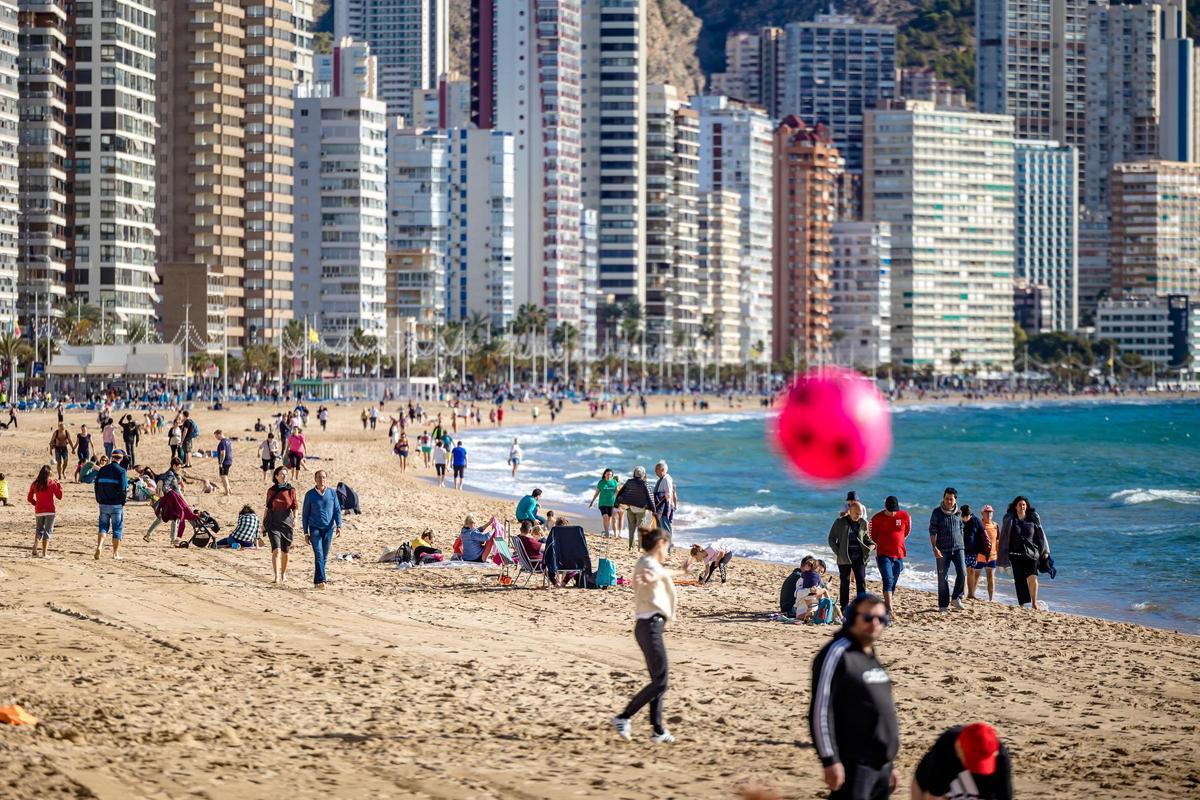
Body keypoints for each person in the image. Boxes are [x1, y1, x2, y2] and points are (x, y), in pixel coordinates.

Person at [809, 594, 899, 800]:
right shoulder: (837, 653)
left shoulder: (869, 653)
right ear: (852, 617)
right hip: (854, 764)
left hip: (881, 766)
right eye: (868, 617)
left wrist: (889, 764)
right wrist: (829, 760)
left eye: (881, 619)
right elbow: (820, 711)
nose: (875, 623)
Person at [611, 526, 677, 745]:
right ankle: (624, 717)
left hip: (649, 626)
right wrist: (643, 580)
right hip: (649, 627)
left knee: (658, 679)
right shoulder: (647, 564)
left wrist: (684, 572)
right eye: (667, 546)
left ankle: (658, 730)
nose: (668, 551)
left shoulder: (651, 564)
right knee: (661, 681)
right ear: (661, 544)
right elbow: (648, 575)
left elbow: (662, 574)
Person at [912, 723, 1012, 800]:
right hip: (944, 786)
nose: (975, 768)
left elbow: (1003, 796)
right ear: (958, 747)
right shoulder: (945, 748)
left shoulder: (1000, 757)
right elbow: (932, 795)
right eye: (973, 761)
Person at [997, 496, 1050, 610]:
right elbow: (1004, 538)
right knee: (1020, 580)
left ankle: (1034, 603)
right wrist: (1002, 557)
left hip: (1032, 553)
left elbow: (1041, 534)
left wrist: (1045, 550)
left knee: (1033, 577)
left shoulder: (1032, 518)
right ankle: (1022, 604)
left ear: (1026, 506)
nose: (1022, 507)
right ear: (1015, 506)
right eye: (1020, 505)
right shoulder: (1010, 520)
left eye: (1024, 505)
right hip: (1016, 554)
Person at [870, 496, 912, 618]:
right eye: (891, 510)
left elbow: (907, 531)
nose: (893, 513)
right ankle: (890, 609)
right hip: (883, 554)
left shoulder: (904, 515)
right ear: (885, 507)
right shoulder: (877, 518)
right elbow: (872, 535)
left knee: (893, 582)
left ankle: (887, 604)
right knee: (887, 580)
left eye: (895, 510)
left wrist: (898, 542)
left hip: (899, 554)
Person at [828, 501, 874, 612]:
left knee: (861, 581)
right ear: (850, 511)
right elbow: (831, 538)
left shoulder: (863, 523)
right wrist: (838, 552)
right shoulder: (840, 522)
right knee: (845, 582)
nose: (858, 516)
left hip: (859, 557)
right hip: (844, 558)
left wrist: (872, 545)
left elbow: (866, 539)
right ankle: (844, 607)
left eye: (860, 513)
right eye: (856, 513)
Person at [302, 470, 342, 590]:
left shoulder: (332, 493)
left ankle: (316, 580)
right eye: (319, 477)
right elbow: (305, 514)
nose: (321, 479)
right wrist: (305, 532)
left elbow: (337, 510)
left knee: (323, 557)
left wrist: (339, 525)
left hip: (329, 529)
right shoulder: (309, 494)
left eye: (324, 477)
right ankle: (322, 581)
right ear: (315, 479)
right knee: (319, 555)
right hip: (314, 529)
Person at [929, 487, 967, 612]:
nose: (948, 502)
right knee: (942, 577)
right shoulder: (937, 512)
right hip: (942, 549)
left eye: (951, 499)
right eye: (946, 499)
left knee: (962, 572)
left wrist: (962, 544)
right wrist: (934, 548)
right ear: (943, 498)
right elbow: (932, 531)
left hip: (958, 548)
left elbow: (961, 528)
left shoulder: (959, 513)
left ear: (955, 500)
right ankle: (943, 605)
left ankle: (956, 598)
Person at [264, 467, 298, 583]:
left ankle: (283, 574)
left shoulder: (291, 490)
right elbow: (267, 507)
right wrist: (264, 523)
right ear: (276, 476)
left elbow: (295, 506)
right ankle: (276, 576)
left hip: (287, 522)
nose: (284, 476)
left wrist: (295, 519)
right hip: (273, 522)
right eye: (281, 474)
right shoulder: (271, 490)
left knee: (285, 552)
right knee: (276, 550)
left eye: (285, 474)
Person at [94, 449, 129, 560]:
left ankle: (99, 546)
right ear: (121, 459)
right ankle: (115, 554)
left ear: (111, 457)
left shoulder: (103, 469)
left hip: (103, 503)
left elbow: (96, 486)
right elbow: (123, 489)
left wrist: (98, 498)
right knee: (117, 529)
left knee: (103, 527)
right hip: (116, 505)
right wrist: (123, 502)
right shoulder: (122, 471)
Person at [615, 466, 655, 551]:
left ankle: (631, 546)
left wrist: (616, 503)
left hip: (630, 508)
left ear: (634, 473)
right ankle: (639, 548)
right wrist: (654, 510)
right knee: (641, 530)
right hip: (641, 510)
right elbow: (650, 497)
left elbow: (622, 492)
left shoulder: (629, 482)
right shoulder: (645, 484)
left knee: (631, 528)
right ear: (643, 474)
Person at [27, 465, 62, 558]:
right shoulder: (52, 483)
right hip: (50, 511)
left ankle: (35, 546)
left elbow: (29, 498)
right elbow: (59, 496)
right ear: (49, 473)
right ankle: (44, 553)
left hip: (39, 510)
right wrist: (59, 484)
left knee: (39, 530)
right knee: (48, 531)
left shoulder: (35, 484)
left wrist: (36, 504)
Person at [960, 505, 990, 601]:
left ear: (969, 514)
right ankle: (961, 593)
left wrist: (986, 549)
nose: (965, 519)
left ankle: (971, 594)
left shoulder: (976, 520)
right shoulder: (958, 520)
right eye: (963, 517)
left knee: (971, 570)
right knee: (962, 571)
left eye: (966, 516)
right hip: (960, 549)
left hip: (972, 550)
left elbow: (983, 534)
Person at [972, 505, 1000, 602]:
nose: (988, 514)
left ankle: (991, 599)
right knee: (976, 576)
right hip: (980, 556)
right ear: (982, 513)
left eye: (990, 512)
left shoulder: (995, 525)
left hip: (992, 556)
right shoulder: (978, 524)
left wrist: (999, 554)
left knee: (991, 578)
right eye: (986, 512)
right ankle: (972, 595)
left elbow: (997, 541)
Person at [588, 468, 621, 537]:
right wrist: (592, 501)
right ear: (604, 474)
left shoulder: (614, 482)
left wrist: (622, 499)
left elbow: (617, 492)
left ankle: (606, 531)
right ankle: (607, 533)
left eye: (610, 474)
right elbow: (597, 493)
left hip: (612, 503)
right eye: (607, 474)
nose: (608, 476)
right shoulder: (601, 482)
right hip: (602, 503)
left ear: (612, 475)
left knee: (609, 518)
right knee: (605, 516)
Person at [652, 461, 678, 544]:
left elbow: (668, 494)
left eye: (656, 469)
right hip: (662, 506)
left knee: (665, 525)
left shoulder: (666, 479)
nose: (655, 471)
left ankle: (668, 543)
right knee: (663, 525)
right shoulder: (662, 479)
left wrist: (668, 508)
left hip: (665, 507)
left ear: (662, 469)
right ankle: (664, 542)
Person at [214, 430, 233, 496]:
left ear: (219, 434)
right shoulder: (228, 440)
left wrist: (221, 462)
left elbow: (223, 453)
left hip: (225, 461)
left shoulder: (222, 442)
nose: (216, 438)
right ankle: (229, 490)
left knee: (223, 476)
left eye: (216, 436)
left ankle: (227, 492)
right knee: (225, 476)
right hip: (229, 460)